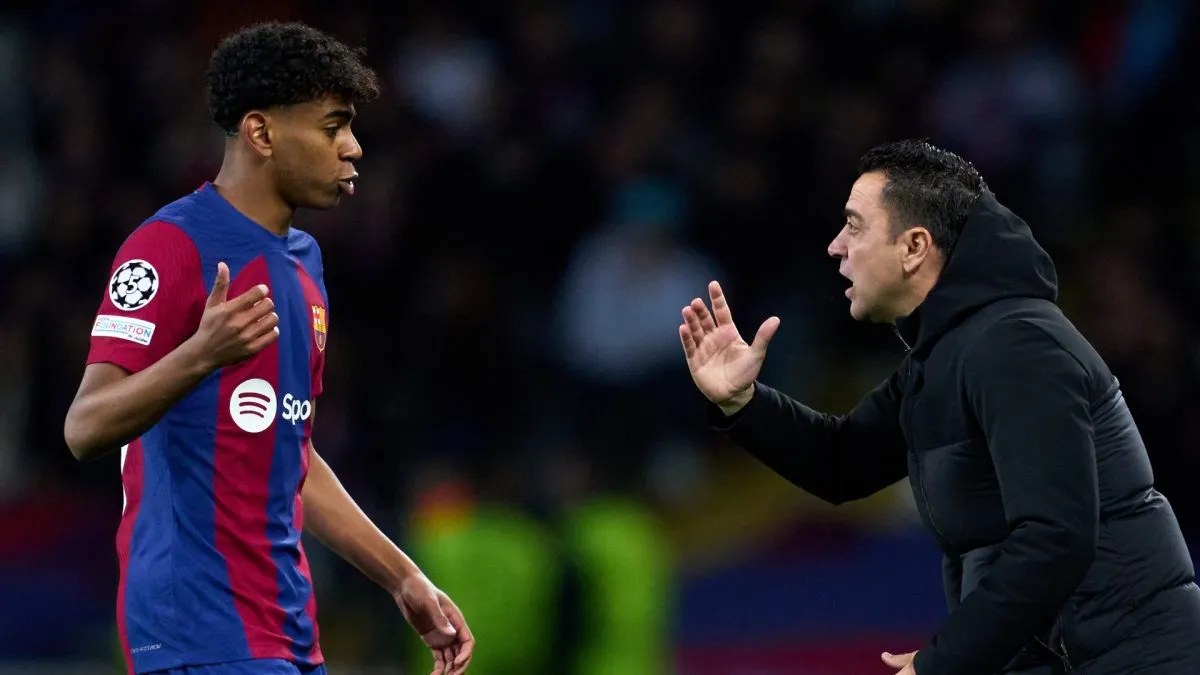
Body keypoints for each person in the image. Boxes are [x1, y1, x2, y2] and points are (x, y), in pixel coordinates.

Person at [679, 139, 1200, 675]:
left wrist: (942, 663)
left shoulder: (1017, 345)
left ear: (914, 247)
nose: (835, 246)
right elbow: (840, 461)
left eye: (854, 226)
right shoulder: (943, 360)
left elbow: (1056, 537)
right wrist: (742, 400)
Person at [63, 22, 473, 675]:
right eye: (333, 127)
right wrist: (199, 355)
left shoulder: (304, 263)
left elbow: (294, 453)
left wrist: (402, 576)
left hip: (284, 632)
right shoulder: (168, 246)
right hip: (197, 632)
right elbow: (84, 426)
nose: (354, 147)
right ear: (261, 133)